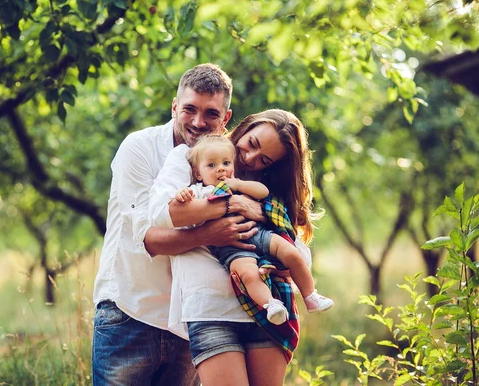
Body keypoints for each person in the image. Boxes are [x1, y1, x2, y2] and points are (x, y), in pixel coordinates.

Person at [92, 63, 265, 386]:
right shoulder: (139, 148)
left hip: (192, 318)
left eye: (211, 114)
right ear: (174, 107)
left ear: (225, 119)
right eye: (189, 109)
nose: (198, 122)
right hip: (130, 311)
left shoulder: (226, 161)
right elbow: (152, 241)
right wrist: (219, 223)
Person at [149, 109, 323, 385]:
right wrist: (230, 207)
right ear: (245, 126)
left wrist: (264, 216)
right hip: (211, 310)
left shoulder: (265, 189)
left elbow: (300, 254)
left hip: (270, 311)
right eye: (252, 144)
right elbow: (162, 214)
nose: (250, 158)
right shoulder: (199, 155)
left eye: (264, 159)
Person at [174, 135, 333, 325]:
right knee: (248, 275)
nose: (221, 169)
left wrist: (238, 184)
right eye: (211, 165)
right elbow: (183, 207)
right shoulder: (199, 191)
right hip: (232, 248)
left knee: (291, 253)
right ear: (198, 173)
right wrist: (182, 194)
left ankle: (310, 295)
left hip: (260, 234)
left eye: (226, 162)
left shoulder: (239, 184)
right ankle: (270, 304)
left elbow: (263, 192)